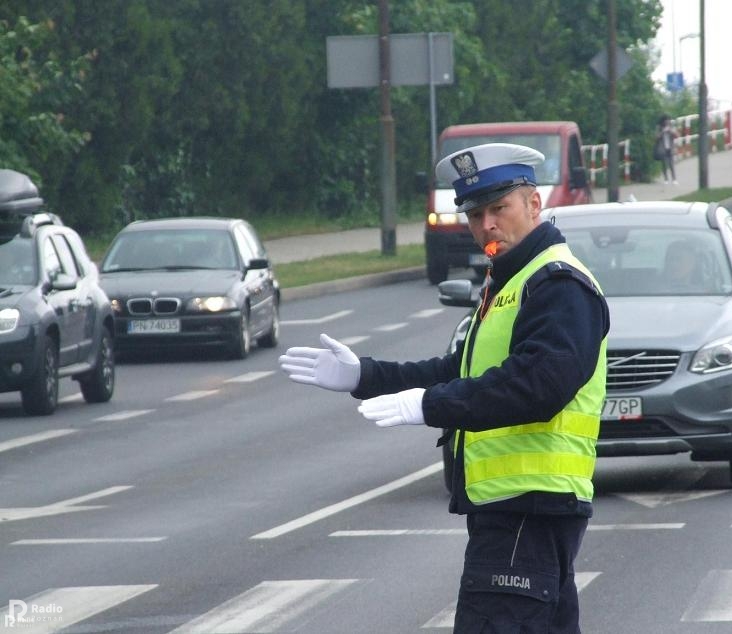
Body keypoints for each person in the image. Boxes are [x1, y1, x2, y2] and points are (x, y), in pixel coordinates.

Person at [279, 143, 610, 634]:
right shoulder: (510, 283)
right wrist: (366, 377)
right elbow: (459, 370)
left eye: (500, 208)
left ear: (534, 204)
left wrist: (429, 406)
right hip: (517, 507)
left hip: (530, 505)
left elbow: (540, 386)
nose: (487, 225)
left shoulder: (556, 284)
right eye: (476, 214)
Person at [656, 114, 678, 184]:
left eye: (668, 120)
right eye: (666, 120)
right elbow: (656, 137)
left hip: (670, 148)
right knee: (664, 164)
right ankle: (666, 179)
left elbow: (676, 135)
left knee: (671, 164)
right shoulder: (659, 128)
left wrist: (670, 131)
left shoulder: (671, 127)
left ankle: (674, 179)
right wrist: (663, 132)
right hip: (663, 148)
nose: (667, 122)